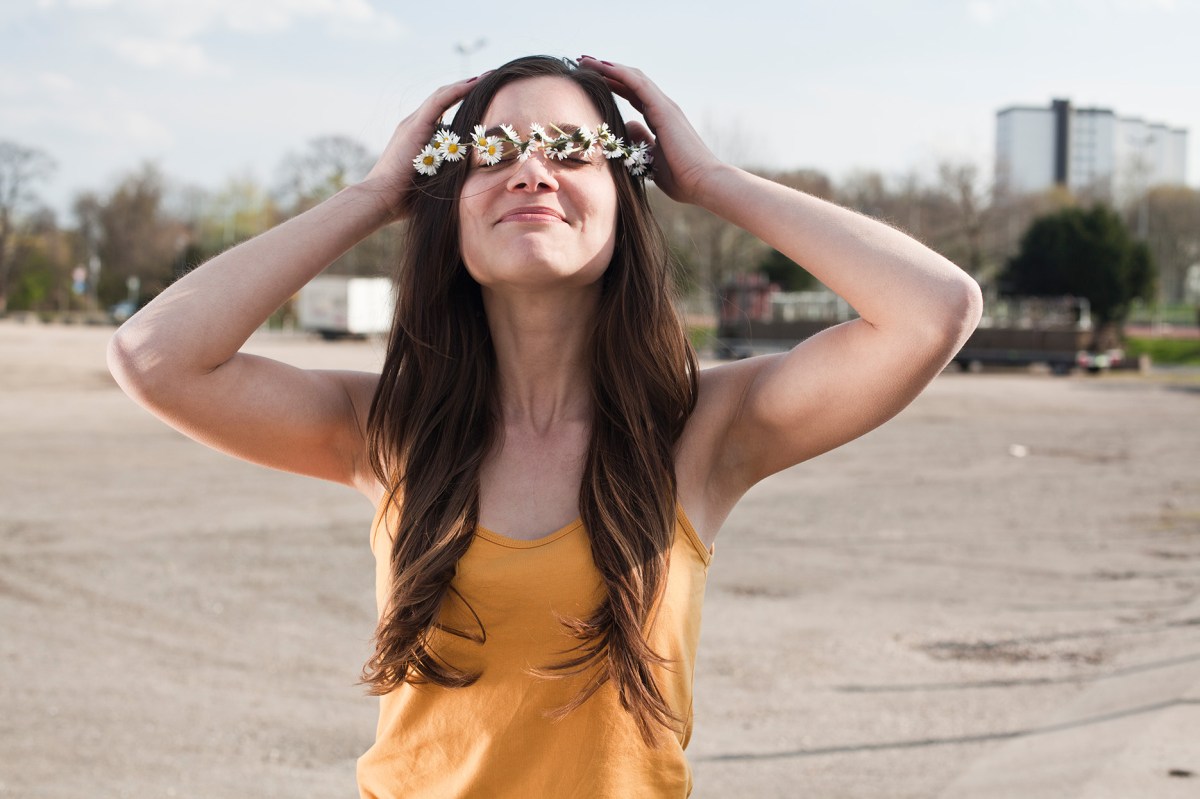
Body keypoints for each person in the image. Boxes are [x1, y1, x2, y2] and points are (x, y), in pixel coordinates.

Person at [107, 55, 983, 798]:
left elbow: (935, 310)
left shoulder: (701, 430)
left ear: (624, 195)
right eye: (493, 152)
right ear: (449, 200)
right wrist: (373, 195)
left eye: (570, 150)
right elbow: (153, 357)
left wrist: (711, 181)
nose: (531, 171)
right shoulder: (387, 428)